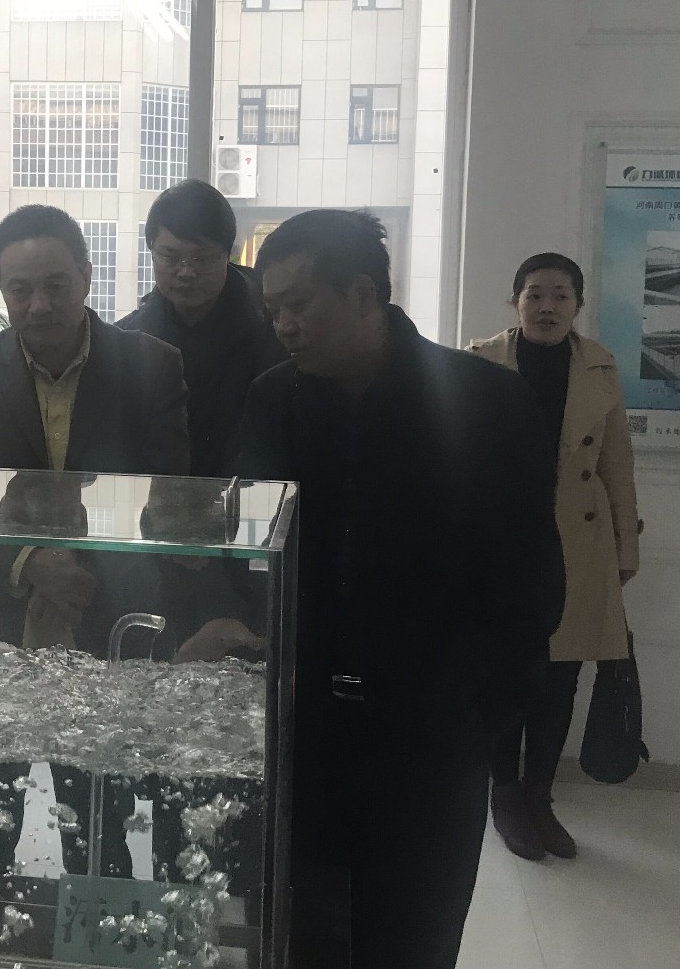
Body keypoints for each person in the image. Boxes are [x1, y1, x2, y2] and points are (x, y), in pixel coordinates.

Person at [234, 209, 564, 969]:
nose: (283, 326)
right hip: (303, 735)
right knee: (299, 940)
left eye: (297, 304)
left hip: (431, 739)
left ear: (362, 293)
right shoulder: (272, 401)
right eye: (272, 309)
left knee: (413, 939)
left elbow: (529, 580)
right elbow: (247, 553)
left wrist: (482, 715)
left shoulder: (487, 403)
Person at [0, 204, 189, 885]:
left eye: (55, 285)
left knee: (100, 834)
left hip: (109, 625)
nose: (38, 305)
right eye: (19, 290)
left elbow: (168, 500)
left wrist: (80, 570)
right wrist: (31, 564)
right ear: (1, 289)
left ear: (86, 276)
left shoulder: (151, 366)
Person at [467, 252, 640, 862]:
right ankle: (504, 795)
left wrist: (626, 545)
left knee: (560, 677)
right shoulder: (479, 361)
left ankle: (540, 796)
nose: (547, 307)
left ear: (578, 305)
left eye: (561, 295)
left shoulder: (599, 366)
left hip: (577, 542)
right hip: (500, 541)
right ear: (515, 301)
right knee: (505, 672)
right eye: (535, 294)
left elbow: (616, 460)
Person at [119, 180, 286, 477]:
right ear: (152, 252)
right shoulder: (127, 340)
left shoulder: (274, 330)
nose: (186, 272)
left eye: (202, 258)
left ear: (228, 254)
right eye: (170, 257)